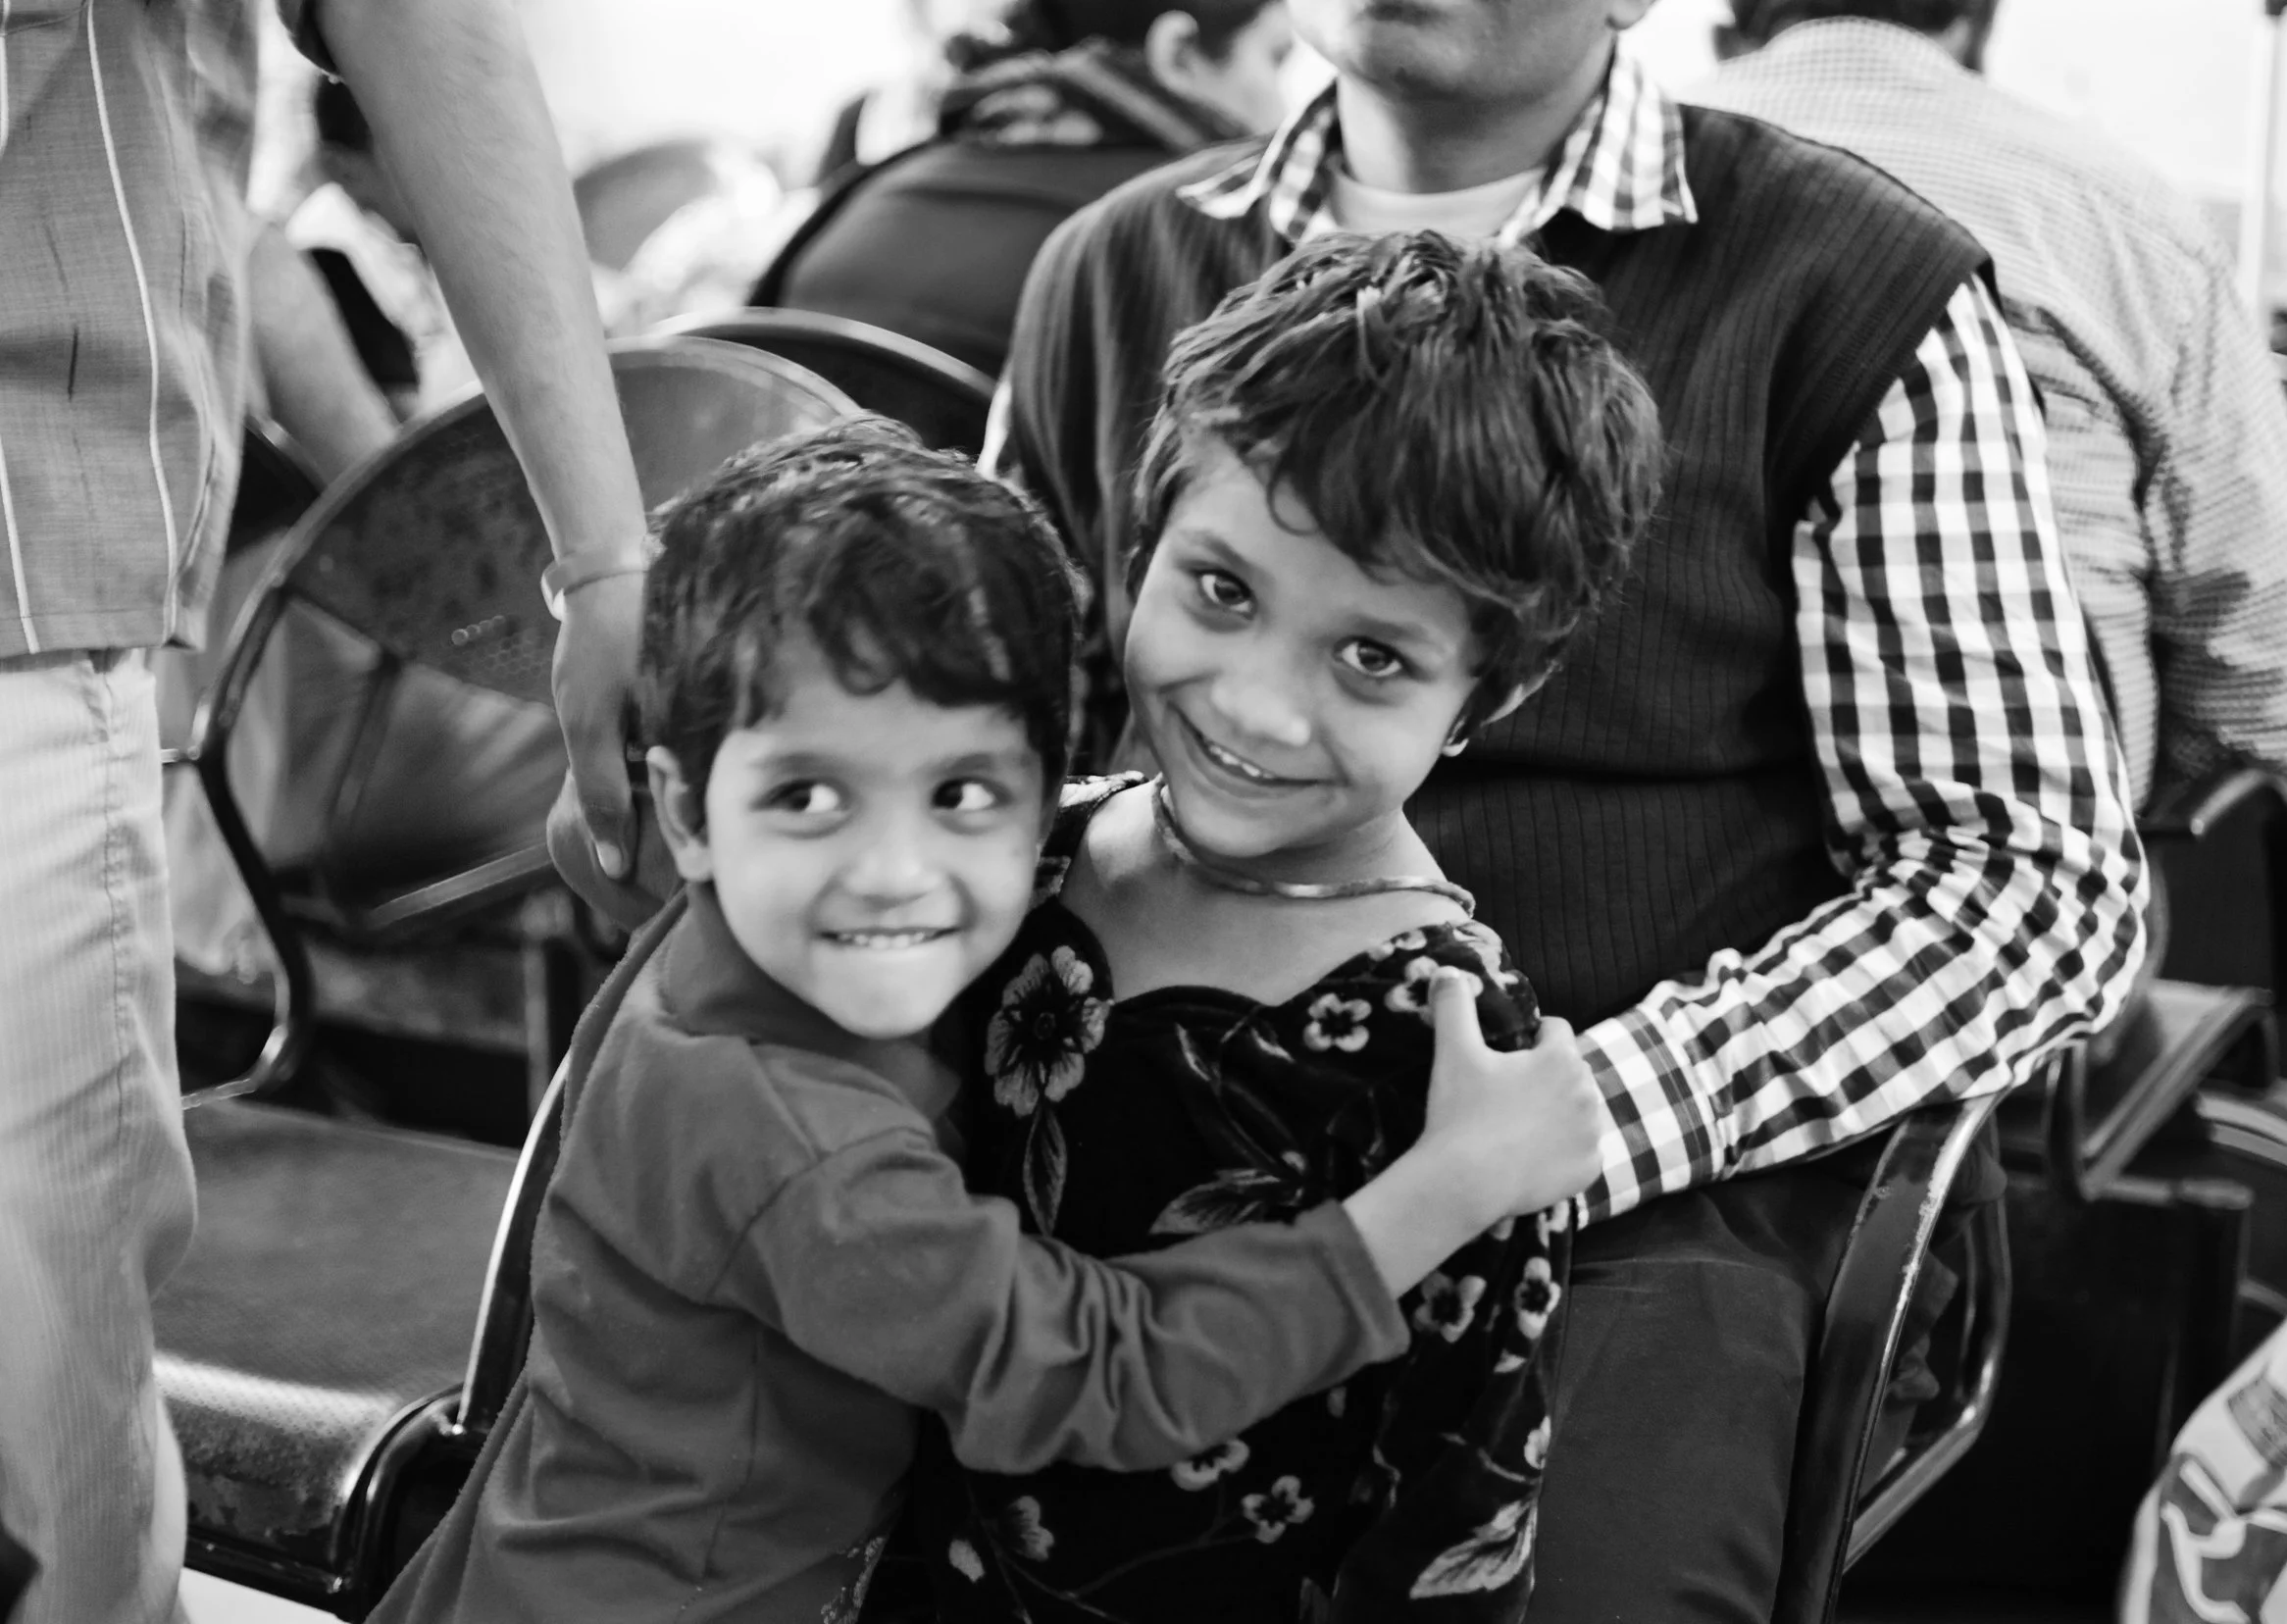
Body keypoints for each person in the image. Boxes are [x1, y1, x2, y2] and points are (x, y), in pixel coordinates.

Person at [975, 0, 2150, 1615]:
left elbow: (2031, 881)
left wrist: (1579, 1119)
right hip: (1132, 1097)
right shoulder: (1109, 271)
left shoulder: (1850, 287)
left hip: (1658, 1206)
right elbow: (993, 749)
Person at [369, 419, 1605, 1624]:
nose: (894, 872)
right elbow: (1103, 1373)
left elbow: (596, 849)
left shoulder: (732, 925)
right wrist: (1443, 1189)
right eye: (810, 795)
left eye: (961, 793)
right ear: (693, 813)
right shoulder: (797, 1148)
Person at [905, 229, 1659, 1622]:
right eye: (1222, 590)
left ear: (1485, 698)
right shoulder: (1025, 851)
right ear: (1143, 538)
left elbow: (1453, 1514)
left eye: (1372, 657)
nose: (1255, 706)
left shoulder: (1450, 1058)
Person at [0, 0, 648, 1619]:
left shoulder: (322, 264)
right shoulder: (327, 272)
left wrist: (602, 561)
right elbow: (410, 538)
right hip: (317, 757)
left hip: (49, 586)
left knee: (37, 1448)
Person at [1693, 0, 2287, 804]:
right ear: (1981, 24)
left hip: (1643, 854)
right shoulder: (2123, 213)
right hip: (2040, 837)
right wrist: (2124, 810)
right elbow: (2270, 679)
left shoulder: (1612, 191)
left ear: (1734, 22)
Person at [753, 0, 1296, 377]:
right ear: (1177, 53)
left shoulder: (877, 184)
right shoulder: (1209, 236)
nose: (1285, 107)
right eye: (1276, 59)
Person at [285, 76, 476, 418]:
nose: (450, 166)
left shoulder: (416, 229)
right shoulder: (328, 254)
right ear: (344, 170)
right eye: (420, 147)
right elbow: (406, 422)